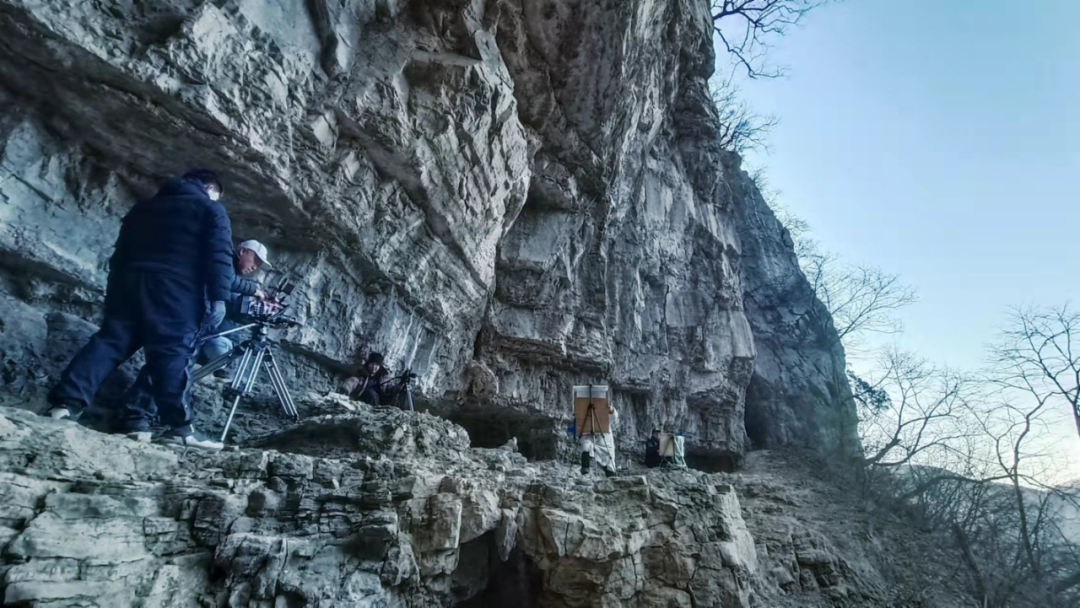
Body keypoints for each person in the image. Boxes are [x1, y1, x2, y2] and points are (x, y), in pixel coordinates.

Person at [45, 169, 235, 451]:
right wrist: (220, 299)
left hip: (128, 285)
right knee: (173, 353)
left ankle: (64, 406)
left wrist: (114, 293)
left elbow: (119, 253)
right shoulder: (210, 208)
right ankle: (180, 429)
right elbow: (219, 257)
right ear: (209, 188)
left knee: (109, 342)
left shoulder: (144, 207)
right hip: (175, 292)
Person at [118, 240, 273, 439]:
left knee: (174, 372)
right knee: (164, 365)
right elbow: (222, 281)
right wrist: (253, 290)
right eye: (256, 259)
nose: (256, 266)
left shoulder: (230, 274)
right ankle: (136, 418)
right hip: (181, 321)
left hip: (197, 330)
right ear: (242, 251)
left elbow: (233, 305)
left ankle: (153, 420)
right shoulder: (222, 263)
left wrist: (263, 313)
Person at [580, 403, 619, 477]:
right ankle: (585, 468)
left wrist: (611, 409)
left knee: (610, 465)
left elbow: (614, 416)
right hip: (593, 443)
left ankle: (612, 478)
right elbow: (582, 434)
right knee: (586, 446)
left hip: (606, 445)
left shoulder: (605, 417)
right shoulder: (587, 418)